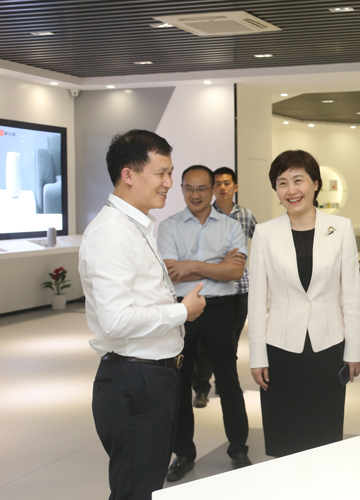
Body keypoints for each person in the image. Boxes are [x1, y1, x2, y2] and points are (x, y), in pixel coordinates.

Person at [79, 130, 206, 500]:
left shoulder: (136, 225)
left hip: (151, 377)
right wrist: (180, 311)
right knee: (136, 490)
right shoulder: (112, 233)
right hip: (134, 381)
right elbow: (115, 320)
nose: (168, 183)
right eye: (161, 173)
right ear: (128, 175)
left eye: (170, 173)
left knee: (144, 485)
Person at [247, 150, 360, 457]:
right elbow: (256, 302)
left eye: (298, 180)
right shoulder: (265, 233)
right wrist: (257, 356)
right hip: (281, 347)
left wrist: (354, 350)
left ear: (315, 184)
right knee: (285, 432)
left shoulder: (340, 228)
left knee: (324, 430)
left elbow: (351, 295)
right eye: (282, 183)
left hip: (328, 346)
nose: (291, 190)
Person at [157, 165, 251, 480]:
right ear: (182, 189)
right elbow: (171, 273)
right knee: (179, 384)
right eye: (189, 188)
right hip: (181, 310)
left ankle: (238, 449)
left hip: (220, 309)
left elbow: (235, 272)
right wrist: (215, 266)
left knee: (228, 380)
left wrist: (191, 266)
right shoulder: (168, 227)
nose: (195, 195)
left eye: (202, 188)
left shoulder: (230, 227)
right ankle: (183, 454)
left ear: (213, 190)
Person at [191, 166, 258, 408]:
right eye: (217, 184)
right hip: (213, 289)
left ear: (235, 187)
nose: (222, 188)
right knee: (204, 344)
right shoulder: (204, 215)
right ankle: (201, 387)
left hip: (240, 288)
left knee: (230, 341)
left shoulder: (246, 215)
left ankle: (224, 382)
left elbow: (261, 242)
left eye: (226, 183)